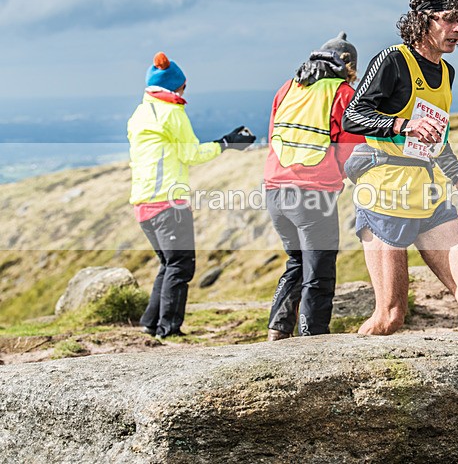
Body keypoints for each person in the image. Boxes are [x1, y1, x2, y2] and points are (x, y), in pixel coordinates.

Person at [343, 0, 458, 335]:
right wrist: (401, 124)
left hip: (426, 193)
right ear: (425, 17)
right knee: (390, 317)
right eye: (451, 19)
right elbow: (353, 115)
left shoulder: (446, 72)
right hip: (383, 195)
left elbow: (436, 135)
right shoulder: (393, 60)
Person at [128, 52, 255, 339]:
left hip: (143, 204)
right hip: (168, 203)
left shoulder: (141, 113)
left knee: (169, 263)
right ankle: (168, 328)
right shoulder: (172, 113)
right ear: (175, 87)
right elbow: (191, 153)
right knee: (181, 265)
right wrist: (226, 143)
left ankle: (150, 322)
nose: (186, 91)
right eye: (184, 86)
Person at [264, 33, 364, 340]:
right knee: (319, 270)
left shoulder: (288, 88)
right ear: (347, 65)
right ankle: (313, 338)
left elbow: (273, 135)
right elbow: (350, 149)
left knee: (296, 261)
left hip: (274, 191)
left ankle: (277, 330)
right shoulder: (342, 92)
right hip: (312, 195)